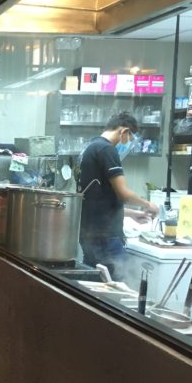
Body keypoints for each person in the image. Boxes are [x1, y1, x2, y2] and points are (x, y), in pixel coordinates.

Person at [78, 111, 159, 279]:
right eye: (130, 138)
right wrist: (148, 204)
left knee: (94, 285)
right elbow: (124, 193)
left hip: (89, 234)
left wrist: (133, 213)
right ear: (124, 131)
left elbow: (99, 200)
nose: (128, 143)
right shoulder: (107, 150)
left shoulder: (90, 148)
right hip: (106, 237)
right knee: (115, 287)